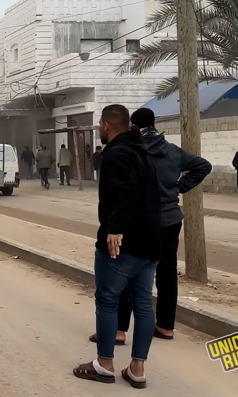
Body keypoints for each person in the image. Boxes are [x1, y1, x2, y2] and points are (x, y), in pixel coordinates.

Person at [89, 108, 211, 346]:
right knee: (167, 273)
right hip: (171, 219)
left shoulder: (132, 150)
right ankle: (165, 326)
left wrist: (115, 226)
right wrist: (179, 186)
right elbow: (203, 166)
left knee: (124, 273)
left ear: (132, 125)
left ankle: (119, 330)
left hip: (142, 221)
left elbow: (125, 192)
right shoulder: (171, 150)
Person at [73, 104, 162, 388]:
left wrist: (115, 229)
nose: (100, 130)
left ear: (106, 125)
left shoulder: (116, 153)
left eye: (101, 125)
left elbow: (125, 193)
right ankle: (137, 369)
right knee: (143, 303)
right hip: (150, 241)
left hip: (124, 242)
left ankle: (105, 363)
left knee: (108, 301)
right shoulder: (142, 152)